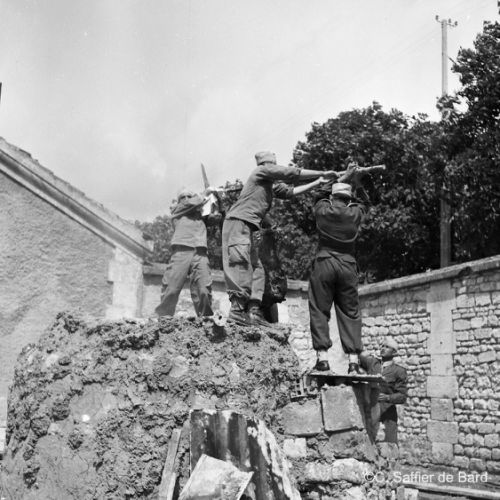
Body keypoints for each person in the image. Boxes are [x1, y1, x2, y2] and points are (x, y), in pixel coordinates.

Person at [222, 150, 336, 326]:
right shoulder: (260, 172)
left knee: (257, 269)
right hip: (238, 223)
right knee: (241, 265)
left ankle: (254, 311)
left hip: (249, 226)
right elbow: (290, 173)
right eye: (273, 165)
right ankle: (237, 310)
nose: (274, 168)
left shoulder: (268, 184)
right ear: (266, 165)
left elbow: (289, 192)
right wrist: (322, 172)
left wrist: (317, 182)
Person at [308, 164, 370, 374]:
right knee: (350, 312)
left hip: (324, 262)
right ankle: (353, 363)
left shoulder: (323, 210)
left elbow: (319, 195)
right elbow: (365, 203)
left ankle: (323, 360)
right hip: (347, 265)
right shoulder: (354, 213)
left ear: (332, 197)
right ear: (349, 198)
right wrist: (357, 181)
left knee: (319, 309)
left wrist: (342, 177)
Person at [155, 189, 219, 318]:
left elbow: (216, 217)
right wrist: (205, 193)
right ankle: (163, 318)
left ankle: (205, 319)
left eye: (189, 196)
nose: (186, 199)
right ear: (179, 201)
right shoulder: (177, 210)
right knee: (171, 288)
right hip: (181, 251)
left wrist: (216, 200)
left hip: (200, 252)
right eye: (183, 197)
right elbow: (191, 203)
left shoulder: (200, 215)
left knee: (204, 289)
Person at [378, 337, 408, 444]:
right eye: (382, 346)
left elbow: (402, 396)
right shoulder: (374, 366)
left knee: (390, 444)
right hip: (371, 411)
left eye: (387, 347)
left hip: (387, 413)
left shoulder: (399, 371)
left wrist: (388, 397)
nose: (383, 348)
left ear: (394, 352)